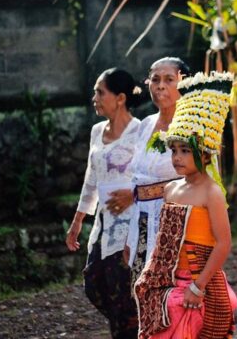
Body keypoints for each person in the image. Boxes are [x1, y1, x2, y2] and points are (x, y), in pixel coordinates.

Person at [134, 71, 237, 339]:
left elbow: (223, 243)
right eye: (174, 150)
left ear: (204, 154)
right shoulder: (172, 189)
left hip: (199, 283)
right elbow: (164, 243)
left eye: (185, 151)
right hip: (170, 282)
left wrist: (198, 286)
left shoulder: (212, 192)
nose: (177, 158)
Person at [65, 68, 141, 338]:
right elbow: (91, 177)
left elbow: (151, 175)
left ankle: (133, 329)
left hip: (130, 222)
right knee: (94, 284)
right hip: (103, 222)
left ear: (120, 98)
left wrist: (132, 193)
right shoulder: (97, 131)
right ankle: (137, 325)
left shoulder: (140, 131)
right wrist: (78, 221)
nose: (94, 97)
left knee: (120, 288)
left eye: (100, 92)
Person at [105, 57, 190, 286]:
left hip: (178, 224)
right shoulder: (145, 125)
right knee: (141, 292)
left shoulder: (192, 127)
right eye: (155, 79)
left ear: (183, 83)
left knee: (171, 296)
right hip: (142, 221)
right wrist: (131, 234)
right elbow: (137, 179)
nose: (160, 86)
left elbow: (203, 180)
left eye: (169, 79)